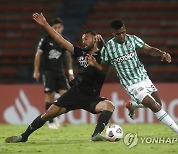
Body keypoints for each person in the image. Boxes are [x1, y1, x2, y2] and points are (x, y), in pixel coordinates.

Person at [5, 13, 114, 143]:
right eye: (82, 39)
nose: (84, 41)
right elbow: (60, 40)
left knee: (109, 106)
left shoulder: (102, 56)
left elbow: (105, 68)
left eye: (87, 39)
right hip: (75, 93)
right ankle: (24, 136)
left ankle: (96, 135)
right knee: (48, 113)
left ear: (95, 40)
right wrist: (45, 24)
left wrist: (97, 59)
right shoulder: (79, 52)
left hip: (91, 96)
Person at [87, 19, 178, 136]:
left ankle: (132, 105)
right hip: (130, 84)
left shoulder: (132, 39)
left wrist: (162, 53)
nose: (122, 36)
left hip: (143, 77)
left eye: (123, 32)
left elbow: (149, 49)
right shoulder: (108, 48)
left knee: (158, 105)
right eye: (118, 34)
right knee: (153, 105)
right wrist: (95, 64)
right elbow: (104, 69)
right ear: (112, 33)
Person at [33, 17, 74, 129]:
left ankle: (54, 114)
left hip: (60, 73)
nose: (56, 29)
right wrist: (36, 70)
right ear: (51, 28)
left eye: (58, 27)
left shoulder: (64, 40)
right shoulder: (45, 40)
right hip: (48, 73)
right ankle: (50, 121)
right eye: (54, 27)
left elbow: (68, 57)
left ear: (62, 28)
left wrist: (70, 72)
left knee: (65, 96)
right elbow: (38, 55)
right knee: (50, 97)